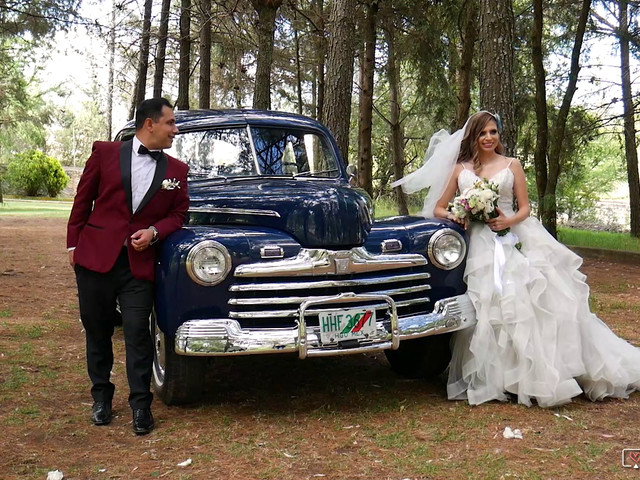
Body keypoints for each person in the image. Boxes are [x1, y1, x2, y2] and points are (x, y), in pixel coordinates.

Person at [393, 111, 640, 407]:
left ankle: (534, 376)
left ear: (499, 135)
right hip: (478, 246)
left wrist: (507, 221)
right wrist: (459, 215)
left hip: (513, 238)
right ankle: (496, 378)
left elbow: (525, 209)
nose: (488, 138)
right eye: (483, 133)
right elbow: (439, 209)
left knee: (523, 300)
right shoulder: (461, 169)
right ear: (473, 136)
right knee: (485, 305)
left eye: (493, 132)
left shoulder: (512, 165)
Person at [67, 98, 189, 433]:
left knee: (137, 332)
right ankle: (101, 398)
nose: (175, 130)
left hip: (138, 265)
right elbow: (83, 199)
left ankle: (140, 405)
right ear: (150, 124)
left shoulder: (177, 171)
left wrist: (153, 232)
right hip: (95, 258)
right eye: (170, 123)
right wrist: (74, 244)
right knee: (98, 329)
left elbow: (178, 215)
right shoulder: (105, 153)